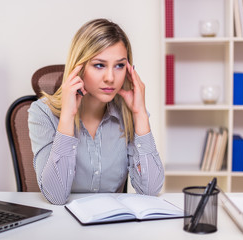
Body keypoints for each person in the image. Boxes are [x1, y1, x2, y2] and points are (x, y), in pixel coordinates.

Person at [28, 18, 164, 205]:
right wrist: (67, 116)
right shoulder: (42, 113)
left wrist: (140, 114)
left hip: (112, 226)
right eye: (99, 65)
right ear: (79, 66)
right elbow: (56, 197)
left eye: (119, 65)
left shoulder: (130, 114)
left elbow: (150, 191)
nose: (110, 78)